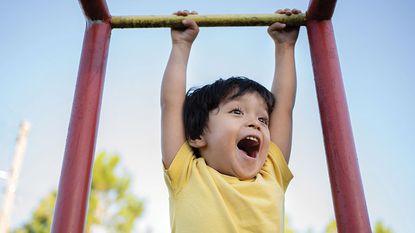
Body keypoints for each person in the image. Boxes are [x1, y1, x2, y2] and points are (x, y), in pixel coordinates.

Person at [160, 8, 300, 233]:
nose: (255, 123)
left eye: (263, 119)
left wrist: (285, 47)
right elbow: (172, 105)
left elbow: (283, 108)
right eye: (237, 112)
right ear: (198, 136)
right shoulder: (187, 173)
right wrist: (181, 46)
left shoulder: (270, 173)